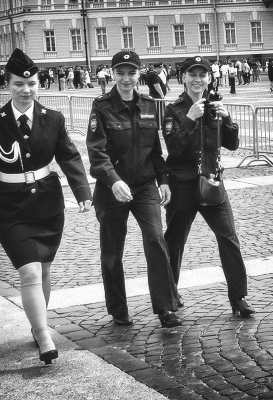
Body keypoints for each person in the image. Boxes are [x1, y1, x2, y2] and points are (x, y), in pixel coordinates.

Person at [0, 48, 92, 364]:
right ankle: (44, 334)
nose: (26, 90)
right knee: (30, 271)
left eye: (31, 83)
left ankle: (37, 325)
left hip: (48, 204)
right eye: (19, 84)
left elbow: (69, 156)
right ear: (8, 85)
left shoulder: (53, 118)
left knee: (43, 269)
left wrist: (82, 191)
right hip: (11, 207)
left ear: (39, 84)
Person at [86, 51, 181, 328]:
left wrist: (163, 180)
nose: (126, 78)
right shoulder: (102, 106)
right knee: (112, 250)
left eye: (131, 72)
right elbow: (96, 152)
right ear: (112, 74)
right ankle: (118, 308)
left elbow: (155, 149)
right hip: (111, 189)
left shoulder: (149, 105)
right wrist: (113, 180)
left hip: (144, 186)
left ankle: (166, 307)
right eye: (120, 72)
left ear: (139, 73)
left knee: (155, 240)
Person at [162, 55, 255, 317]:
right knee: (175, 242)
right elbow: (174, 148)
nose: (197, 80)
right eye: (192, 75)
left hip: (212, 181)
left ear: (209, 78)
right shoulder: (174, 110)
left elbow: (232, 144)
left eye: (202, 75)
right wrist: (190, 118)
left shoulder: (215, 106)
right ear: (183, 78)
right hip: (182, 184)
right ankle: (169, 296)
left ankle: (238, 297)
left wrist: (227, 119)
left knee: (228, 238)